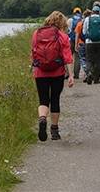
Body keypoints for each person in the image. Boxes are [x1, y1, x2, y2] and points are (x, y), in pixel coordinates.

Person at [31, 11, 74, 141]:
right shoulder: (63, 36)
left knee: (43, 100)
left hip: (40, 72)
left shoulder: (36, 34)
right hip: (57, 72)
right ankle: (54, 131)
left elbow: (33, 54)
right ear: (62, 23)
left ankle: (42, 118)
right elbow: (68, 58)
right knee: (55, 99)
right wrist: (71, 75)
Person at [83, 5, 100, 84]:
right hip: (99, 42)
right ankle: (96, 78)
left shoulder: (87, 19)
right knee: (98, 60)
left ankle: (89, 73)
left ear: (92, 11)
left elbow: (84, 31)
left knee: (89, 59)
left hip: (89, 42)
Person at [76, 9, 92, 83]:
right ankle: (89, 73)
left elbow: (77, 35)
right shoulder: (91, 22)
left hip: (81, 43)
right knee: (89, 59)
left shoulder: (79, 23)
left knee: (82, 59)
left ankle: (87, 73)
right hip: (90, 42)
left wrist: (76, 45)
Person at [67, 7, 83, 79]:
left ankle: (68, 74)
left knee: (68, 57)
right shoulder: (82, 20)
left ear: (73, 13)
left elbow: (67, 31)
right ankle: (76, 74)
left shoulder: (70, 20)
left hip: (70, 40)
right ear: (80, 12)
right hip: (79, 40)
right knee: (77, 57)